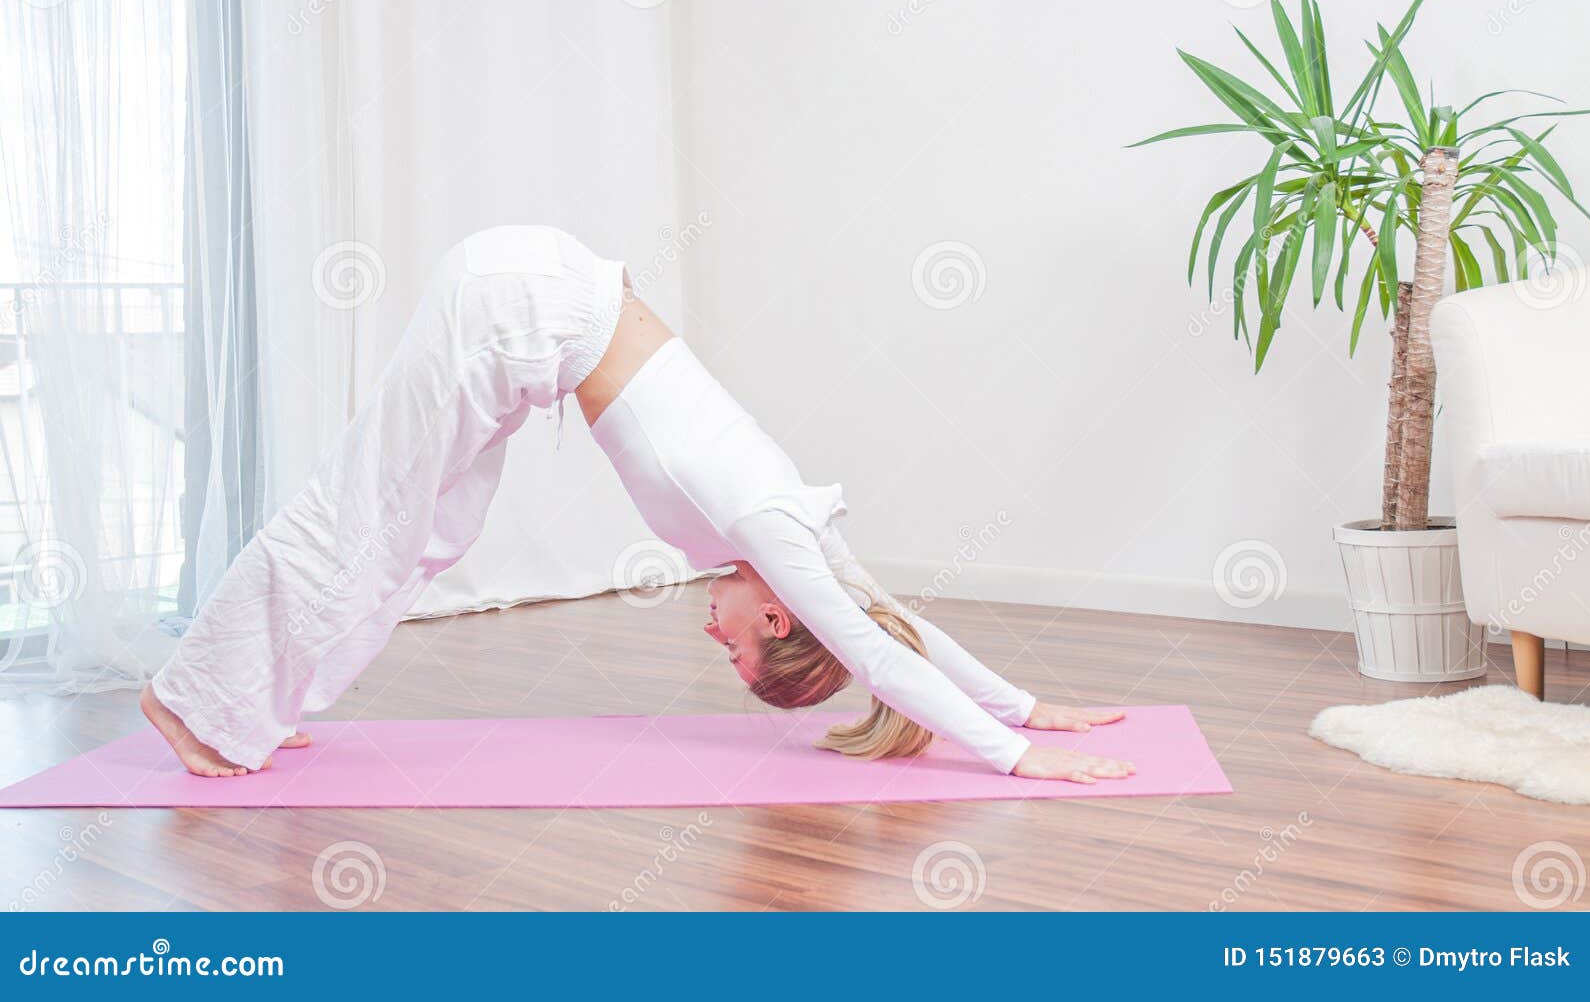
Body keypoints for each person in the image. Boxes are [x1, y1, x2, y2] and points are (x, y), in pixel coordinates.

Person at [142, 226, 1135, 783]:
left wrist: (1030, 706)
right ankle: (188, 696)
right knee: (362, 513)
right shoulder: (771, 529)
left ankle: (257, 704)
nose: (717, 638)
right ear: (777, 616)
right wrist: (1012, 758)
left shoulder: (791, 527)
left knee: (430, 533)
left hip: (535, 311)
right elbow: (872, 650)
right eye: (740, 650)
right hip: (518, 308)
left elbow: (894, 624)